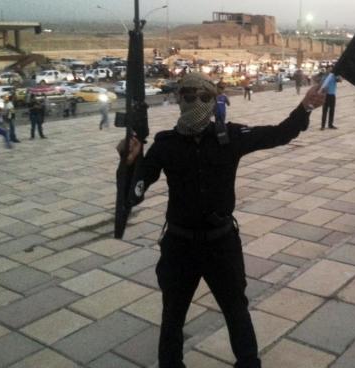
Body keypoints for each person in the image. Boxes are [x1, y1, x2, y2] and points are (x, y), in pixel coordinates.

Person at [118, 73, 325, 368]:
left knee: (236, 310)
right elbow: (134, 194)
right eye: (188, 97)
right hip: (180, 245)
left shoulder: (230, 138)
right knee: (173, 315)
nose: (195, 103)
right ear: (179, 100)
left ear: (214, 100)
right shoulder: (165, 145)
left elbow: (279, 134)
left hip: (221, 243)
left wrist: (305, 107)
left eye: (203, 97)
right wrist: (129, 164)